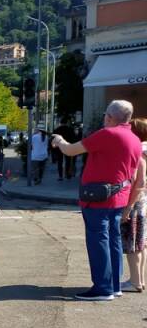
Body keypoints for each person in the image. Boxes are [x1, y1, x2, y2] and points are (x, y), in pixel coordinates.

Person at [52, 100, 143, 301]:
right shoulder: (134, 139)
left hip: (99, 199)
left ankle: (103, 288)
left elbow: (70, 150)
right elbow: (135, 175)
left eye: (105, 115)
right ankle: (114, 285)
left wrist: (58, 140)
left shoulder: (107, 134)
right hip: (119, 198)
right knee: (113, 240)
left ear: (109, 117)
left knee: (98, 241)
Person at [121, 118, 147, 292]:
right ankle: (140, 280)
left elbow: (139, 182)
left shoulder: (139, 153)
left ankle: (135, 282)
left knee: (133, 244)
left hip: (136, 202)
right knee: (141, 243)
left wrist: (128, 208)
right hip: (143, 201)